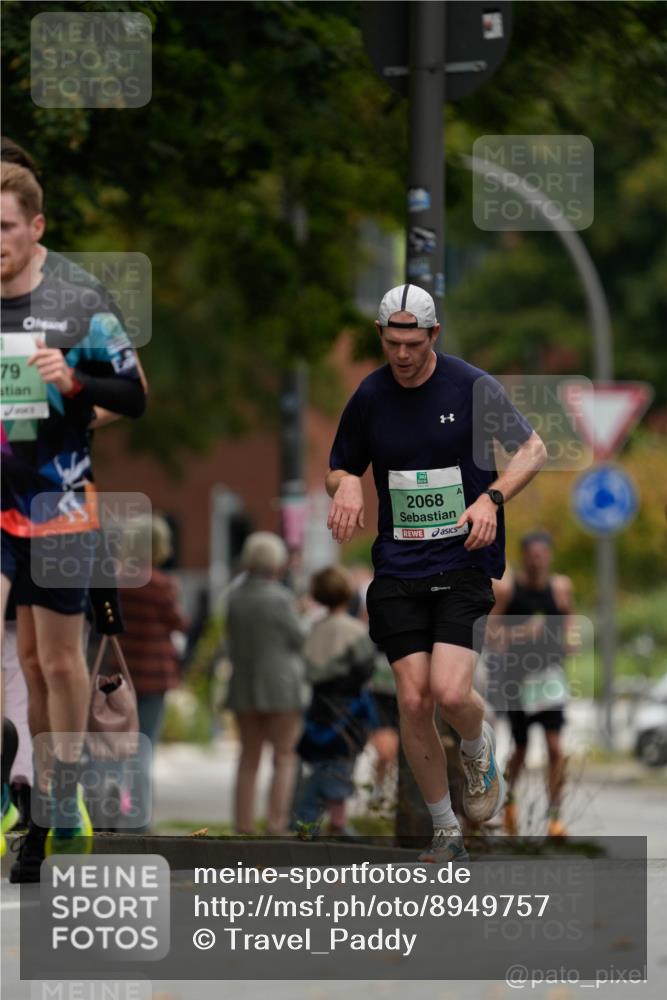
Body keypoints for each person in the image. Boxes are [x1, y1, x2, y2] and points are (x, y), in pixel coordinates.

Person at [326, 283, 547, 862]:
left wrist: (491, 500)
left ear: (434, 336)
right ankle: (446, 830)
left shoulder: (471, 387)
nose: (402, 354)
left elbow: (533, 450)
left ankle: (478, 745)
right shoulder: (370, 396)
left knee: (451, 693)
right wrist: (346, 481)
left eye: (413, 343)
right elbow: (339, 467)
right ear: (382, 336)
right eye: (392, 342)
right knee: (414, 700)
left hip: (462, 558)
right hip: (398, 565)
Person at [1, 163, 146, 876]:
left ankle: (52, 805)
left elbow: (136, 394)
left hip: (57, 507)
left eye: (4, 227)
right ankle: (8, 772)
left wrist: (75, 382)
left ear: (36, 228)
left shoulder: (77, 304)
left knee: (51, 665)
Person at [488, 531, 574, 837]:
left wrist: (569, 641)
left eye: (543, 553)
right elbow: (490, 633)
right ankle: (510, 803)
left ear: (549, 555)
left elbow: (569, 622)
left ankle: (555, 817)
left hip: (550, 678)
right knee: (521, 749)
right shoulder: (510, 590)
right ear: (524, 556)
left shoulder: (561, 588)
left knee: (554, 747)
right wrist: (522, 633)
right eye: (532, 554)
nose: (538, 559)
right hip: (518, 679)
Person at [225, 532, 309, 835]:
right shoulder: (281, 598)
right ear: (276, 562)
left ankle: (243, 825)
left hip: (244, 683)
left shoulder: (234, 598)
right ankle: (276, 823)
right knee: (284, 756)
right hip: (282, 686)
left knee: (248, 757)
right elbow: (299, 637)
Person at [292, 566, 377, 835]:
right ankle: (336, 819)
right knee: (342, 762)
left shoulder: (313, 629)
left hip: (317, 705)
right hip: (347, 708)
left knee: (320, 761)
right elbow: (366, 668)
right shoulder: (355, 630)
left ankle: (310, 816)